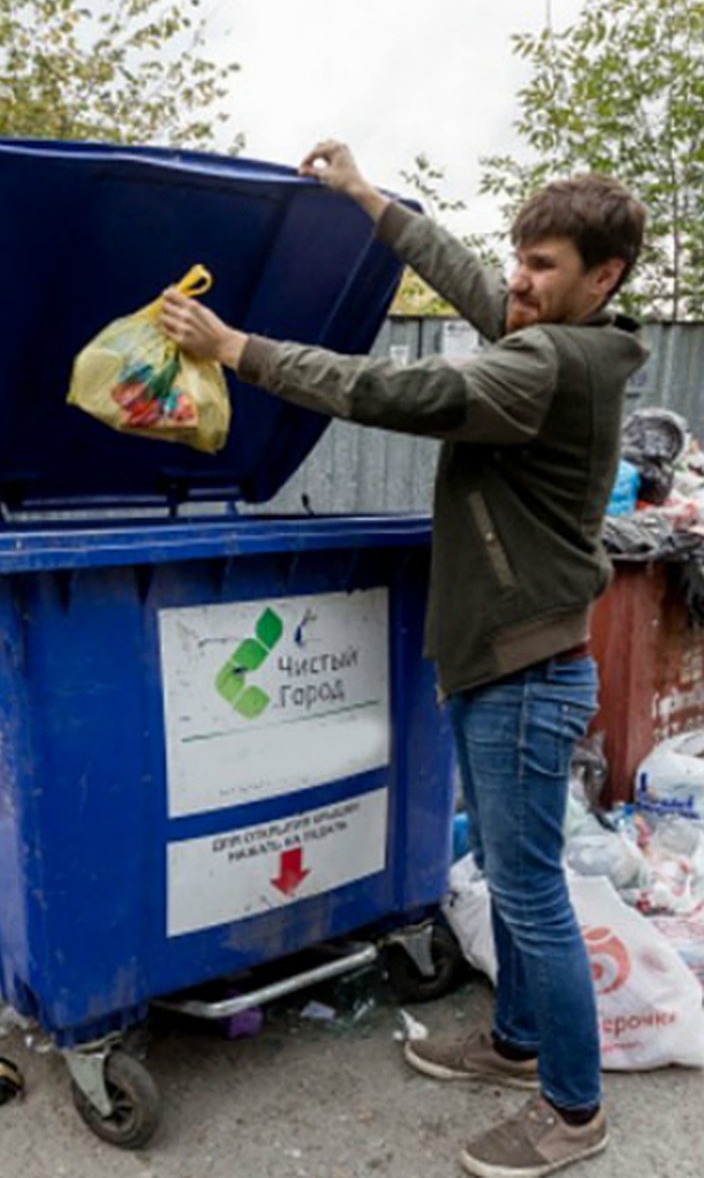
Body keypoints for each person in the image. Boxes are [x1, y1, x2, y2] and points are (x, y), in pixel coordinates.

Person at [159, 140, 647, 1178]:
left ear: (602, 279)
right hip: (508, 663)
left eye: (546, 264)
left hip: (523, 673)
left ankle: (574, 1111)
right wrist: (364, 195)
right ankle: (517, 1046)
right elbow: (474, 280)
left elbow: (387, 390)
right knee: (519, 884)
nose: (519, 279)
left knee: (531, 895)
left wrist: (237, 347)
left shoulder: (544, 368)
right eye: (521, 257)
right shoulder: (558, 333)